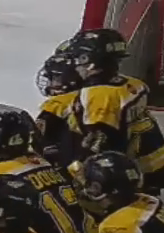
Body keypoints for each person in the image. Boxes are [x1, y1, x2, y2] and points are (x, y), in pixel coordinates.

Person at [63, 28, 164, 189]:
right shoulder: (133, 84)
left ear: (89, 61)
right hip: (152, 165)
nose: (75, 65)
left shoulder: (99, 97)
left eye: (78, 58)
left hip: (133, 175)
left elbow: (100, 145)